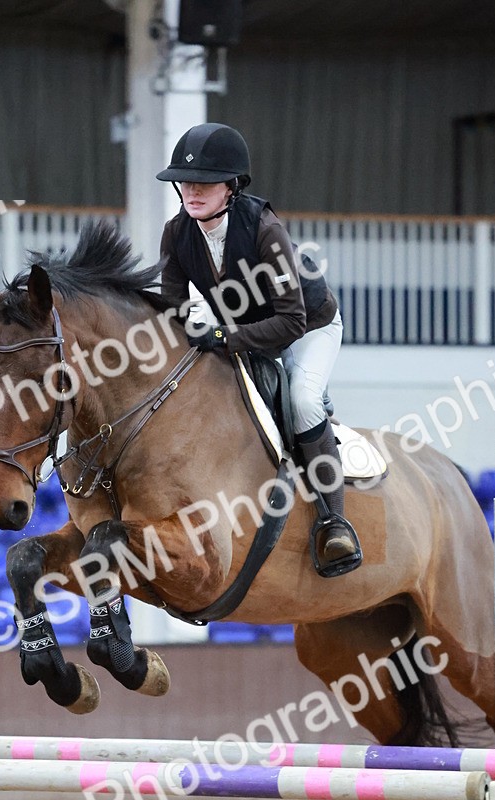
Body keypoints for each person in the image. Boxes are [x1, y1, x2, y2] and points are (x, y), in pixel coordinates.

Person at [157, 122, 361, 577]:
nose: (191, 190)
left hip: (309, 325)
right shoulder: (177, 234)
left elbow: (291, 321)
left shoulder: (265, 228)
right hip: (245, 328)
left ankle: (334, 521)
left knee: (303, 400)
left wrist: (224, 339)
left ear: (231, 187)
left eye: (204, 182)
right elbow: (171, 308)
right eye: (185, 182)